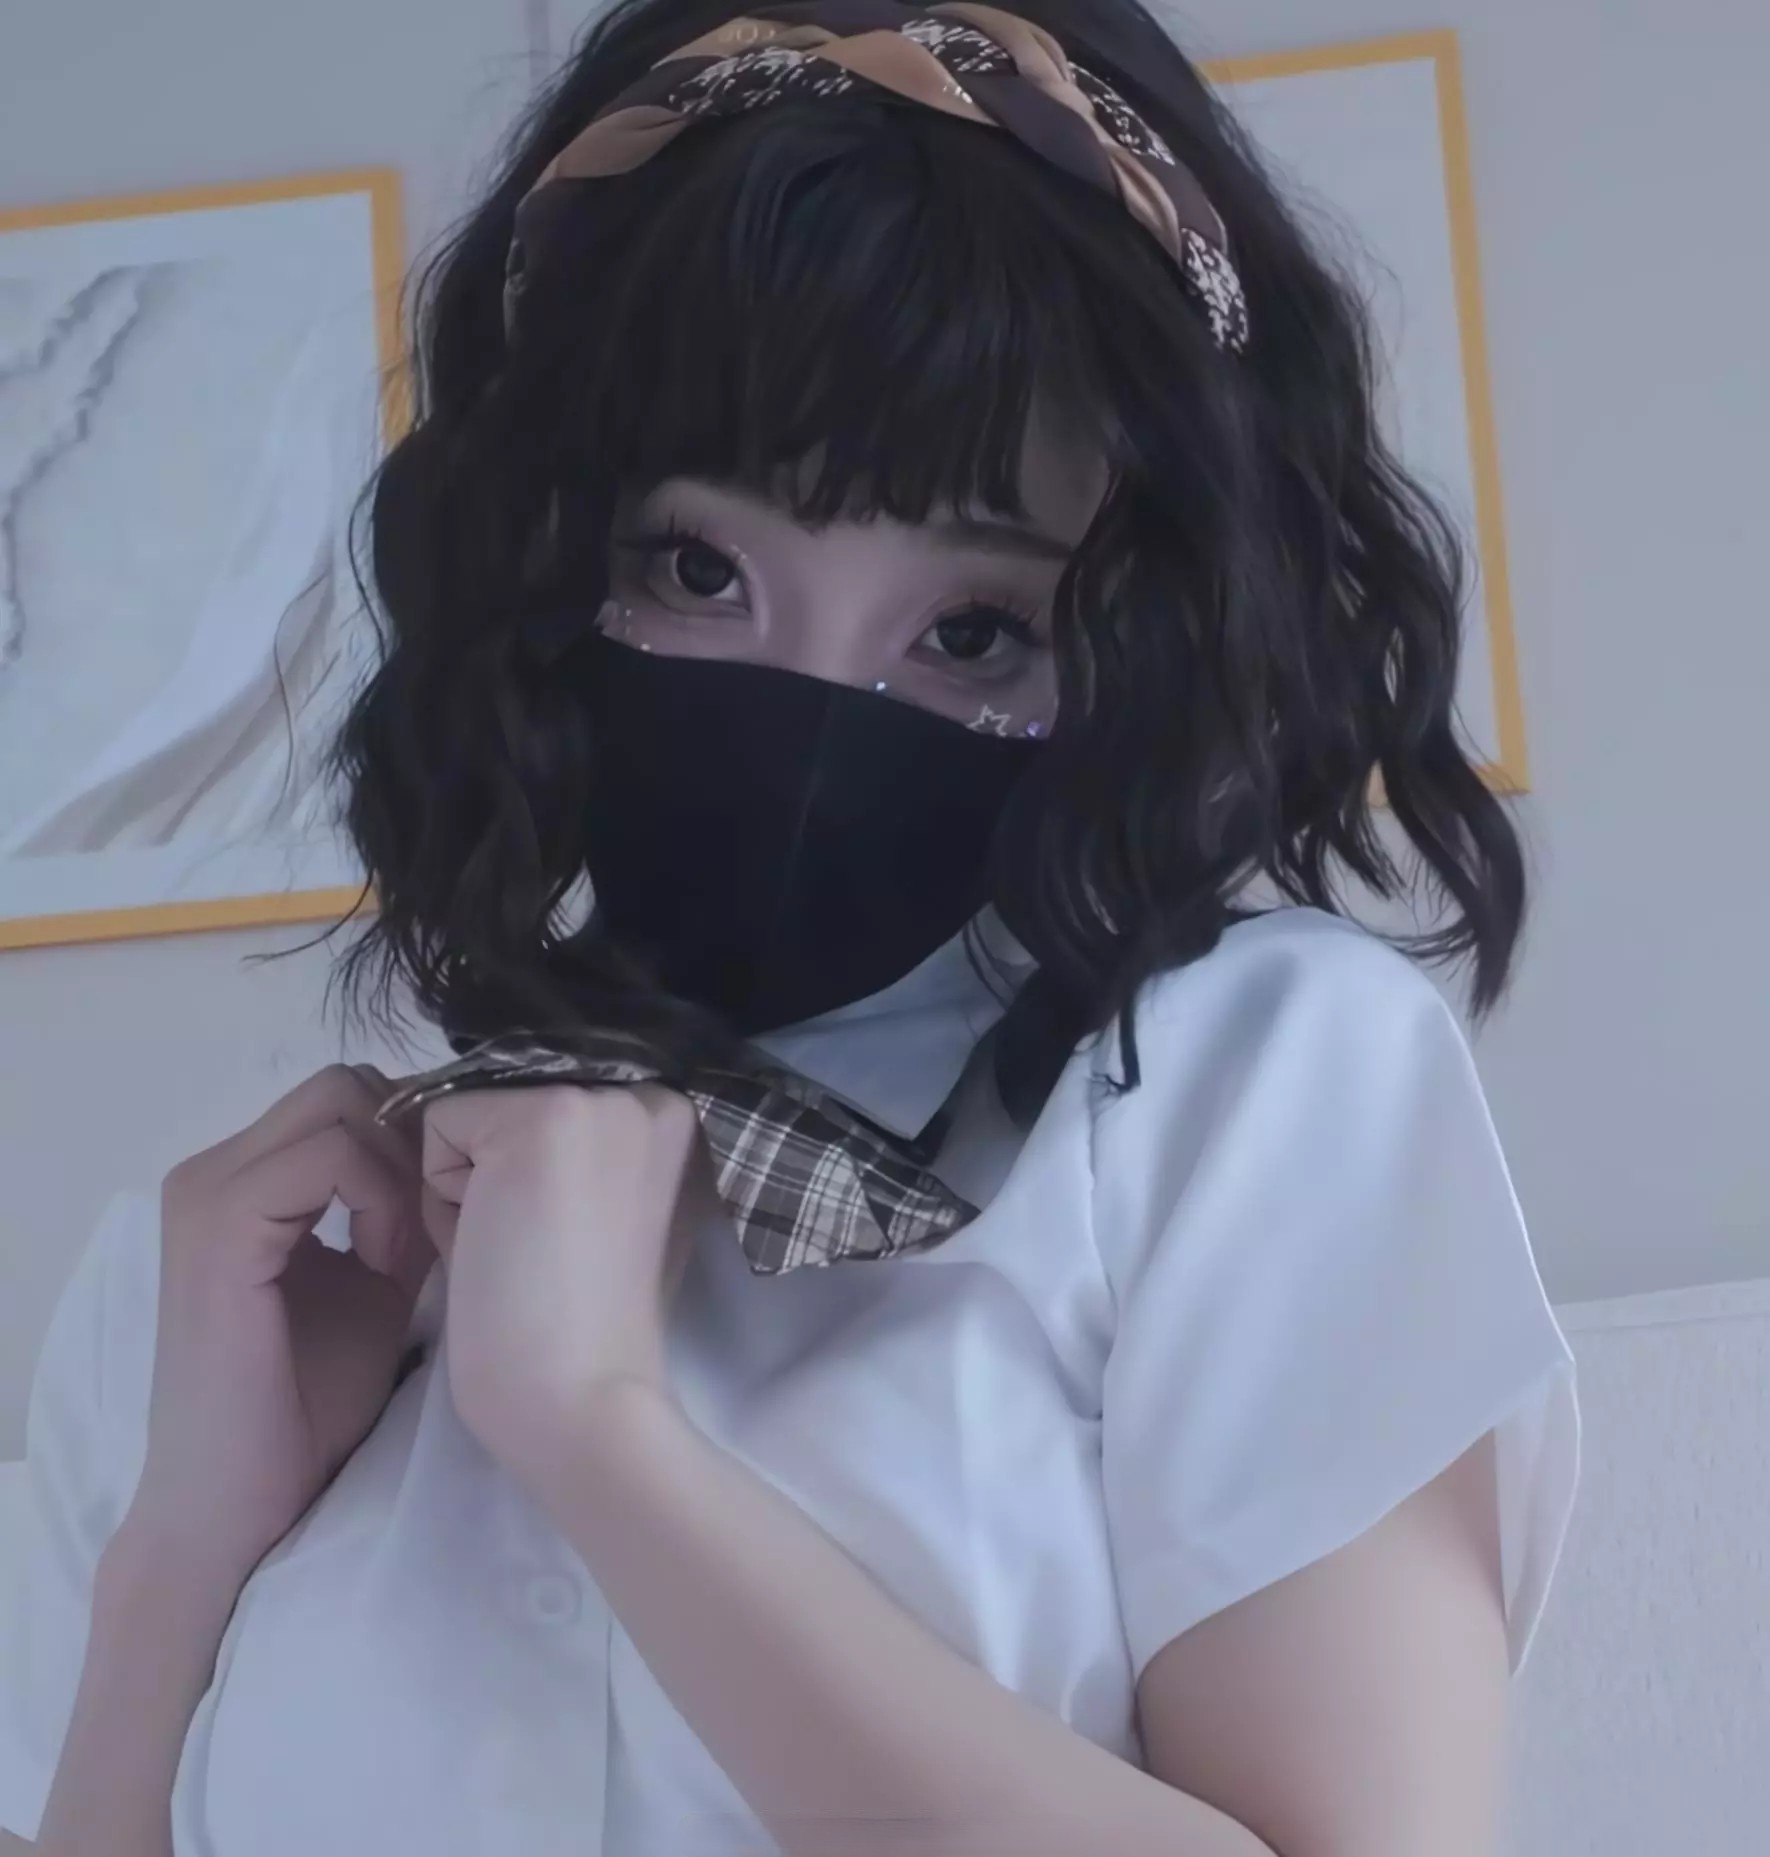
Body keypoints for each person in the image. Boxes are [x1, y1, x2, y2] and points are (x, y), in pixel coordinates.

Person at [0, 2, 1579, 1854]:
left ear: (1129, 651)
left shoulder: (1252, 1086)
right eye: (695, 568)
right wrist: (180, 1557)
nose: (810, 720)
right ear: (545, 554)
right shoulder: (243, 1265)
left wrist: (599, 1431)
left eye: (973, 631)